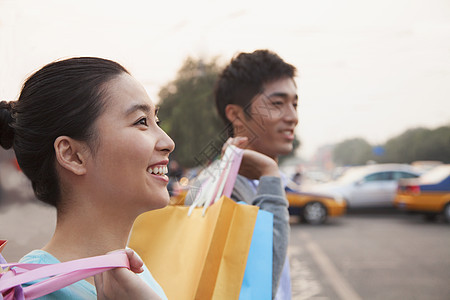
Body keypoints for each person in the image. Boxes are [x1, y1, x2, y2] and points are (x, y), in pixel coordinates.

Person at [0, 57, 174, 299]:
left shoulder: (135, 276)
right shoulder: (32, 292)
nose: (168, 143)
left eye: (157, 121)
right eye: (141, 122)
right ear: (72, 155)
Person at [189, 49, 298, 299]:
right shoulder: (213, 192)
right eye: (277, 104)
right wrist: (269, 173)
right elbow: (262, 285)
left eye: (295, 103)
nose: (292, 117)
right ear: (236, 114)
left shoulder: (258, 181)